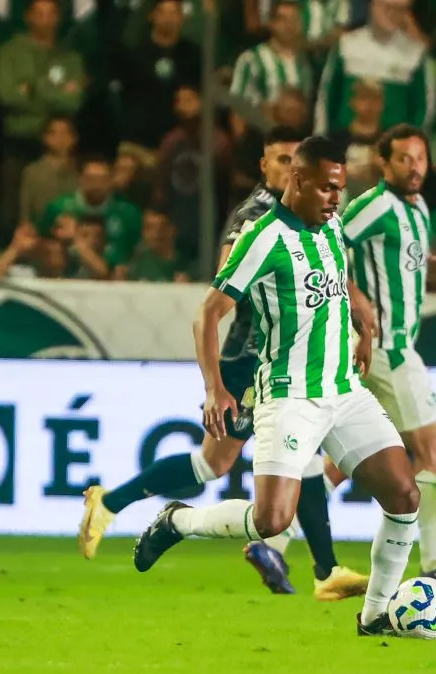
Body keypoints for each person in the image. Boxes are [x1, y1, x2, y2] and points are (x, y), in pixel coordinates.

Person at [133, 135, 421, 636]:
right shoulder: (263, 237)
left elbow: (336, 289)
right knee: (271, 520)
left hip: (344, 391)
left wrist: (362, 331)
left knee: (404, 494)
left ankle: (375, 615)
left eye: (341, 188)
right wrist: (214, 388)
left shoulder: (331, 227)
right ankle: (177, 520)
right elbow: (209, 313)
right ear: (298, 179)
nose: (336, 199)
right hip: (289, 395)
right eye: (328, 188)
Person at [78, 127, 370, 602]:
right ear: (265, 166)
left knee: (273, 460)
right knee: (220, 463)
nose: (289, 168)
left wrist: (353, 313)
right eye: (280, 160)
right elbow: (226, 280)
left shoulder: (313, 213)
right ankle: (117, 503)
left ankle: (326, 569)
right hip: (253, 358)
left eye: (294, 159)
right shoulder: (255, 216)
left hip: (292, 359)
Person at [341, 124, 436, 589]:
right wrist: (358, 300)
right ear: (383, 162)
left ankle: (275, 538)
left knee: (345, 454)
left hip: (393, 345)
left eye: (420, 158)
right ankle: (435, 561)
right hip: (387, 346)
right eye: (404, 158)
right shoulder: (372, 206)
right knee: (432, 447)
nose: (415, 167)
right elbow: (327, 247)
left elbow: (409, 257)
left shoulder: (417, 207)